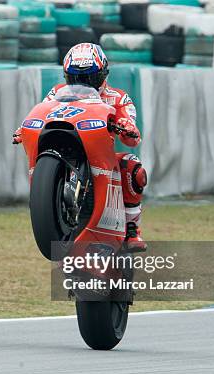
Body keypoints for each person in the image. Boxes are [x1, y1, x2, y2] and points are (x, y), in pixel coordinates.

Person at [19, 43, 147, 251]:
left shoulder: (119, 98)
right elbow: (44, 111)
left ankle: (132, 229)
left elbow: (132, 138)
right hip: (66, 142)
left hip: (99, 154)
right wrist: (23, 128)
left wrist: (126, 127)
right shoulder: (56, 92)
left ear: (103, 74)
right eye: (76, 78)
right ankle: (54, 204)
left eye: (89, 78)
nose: (82, 83)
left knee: (132, 166)